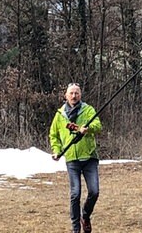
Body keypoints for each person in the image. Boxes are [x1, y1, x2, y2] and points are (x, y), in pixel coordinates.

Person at [50, 83, 102, 233]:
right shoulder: (60, 115)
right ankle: (76, 229)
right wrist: (56, 150)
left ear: (80, 95)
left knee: (94, 191)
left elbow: (98, 126)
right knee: (75, 194)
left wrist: (89, 129)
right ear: (66, 95)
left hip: (89, 157)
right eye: (71, 93)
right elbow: (53, 135)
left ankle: (85, 215)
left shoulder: (88, 110)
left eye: (77, 93)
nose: (74, 96)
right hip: (72, 159)